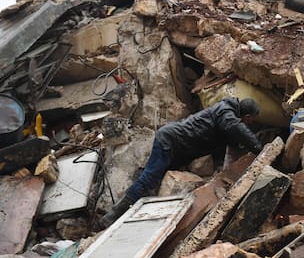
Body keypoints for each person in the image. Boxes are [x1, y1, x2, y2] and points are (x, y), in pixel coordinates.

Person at [98, 97, 262, 229]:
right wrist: (260, 149)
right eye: (251, 121)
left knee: (154, 180)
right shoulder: (226, 114)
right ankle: (112, 216)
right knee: (149, 179)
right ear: (246, 117)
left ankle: (133, 215)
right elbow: (238, 130)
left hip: (177, 146)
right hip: (172, 141)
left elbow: (225, 147)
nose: (250, 124)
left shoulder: (225, 116)